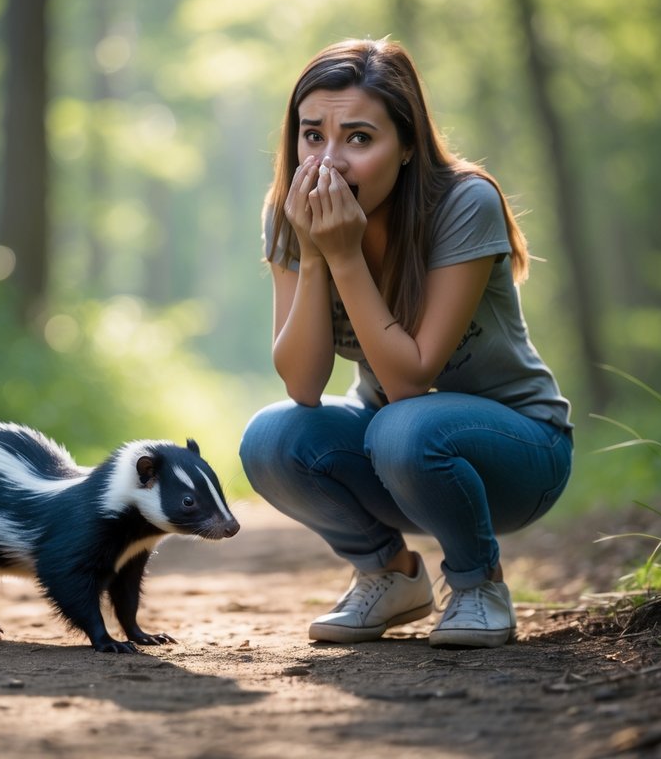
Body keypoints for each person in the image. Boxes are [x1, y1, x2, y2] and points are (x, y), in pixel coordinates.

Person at [239, 37, 573, 649]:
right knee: (271, 436)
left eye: (360, 138)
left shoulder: (463, 203)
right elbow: (303, 384)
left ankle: (478, 585)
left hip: (519, 455)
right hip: (398, 457)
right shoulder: (290, 212)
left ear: (409, 144)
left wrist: (343, 256)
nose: (329, 161)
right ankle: (389, 575)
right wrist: (315, 255)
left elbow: (410, 381)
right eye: (312, 136)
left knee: (404, 424)